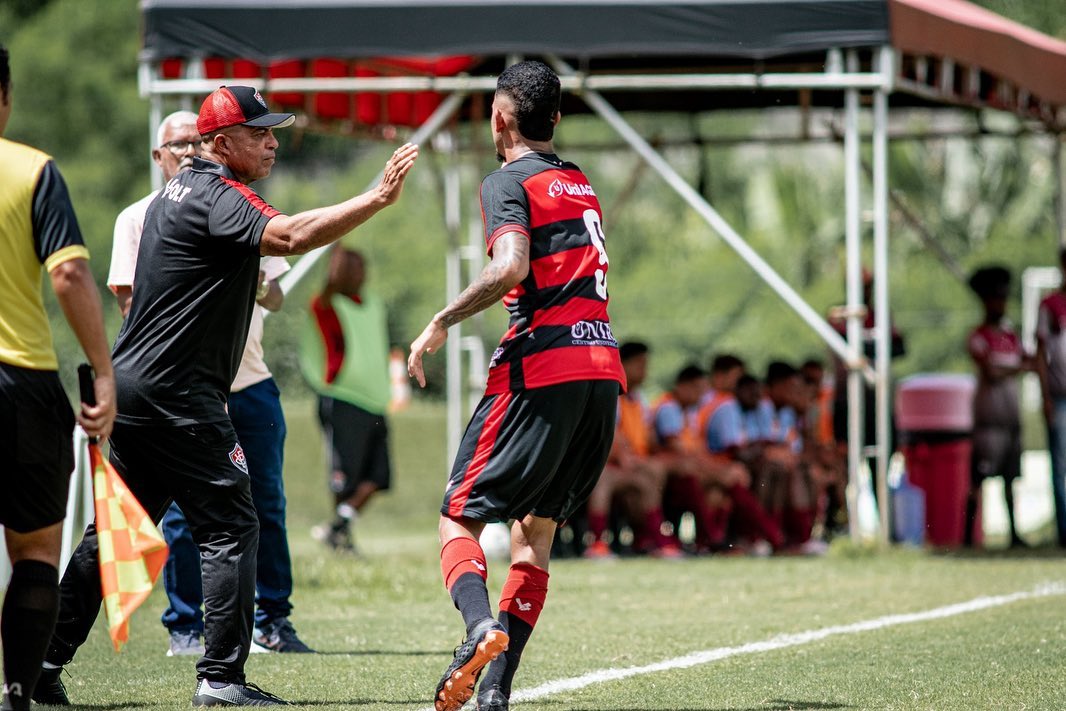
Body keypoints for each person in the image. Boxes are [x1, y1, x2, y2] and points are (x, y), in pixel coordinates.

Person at [36, 85, 417, 708]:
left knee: (115, 534)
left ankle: (41, 660)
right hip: (180, 397)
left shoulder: (173, 194)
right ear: (219, 144)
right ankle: (220, 677)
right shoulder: (218, 193)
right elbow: (290, 238)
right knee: (233, 525)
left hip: (139, 387)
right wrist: (375, 197)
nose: (272, 141)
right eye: (259, 132)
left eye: (273, 131)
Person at [407, 61, 625, 711]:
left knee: (458, 514)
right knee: (536, 532)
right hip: (601, 373)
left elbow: (511, 267)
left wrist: (442, 319)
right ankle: (495, 691)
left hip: (542, 365)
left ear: (499, 118)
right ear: (555, 119)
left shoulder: (507, 182)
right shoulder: (580, 183)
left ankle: (479, 628)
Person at [106, 110, 311, 656]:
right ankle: (191, 634)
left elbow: (276, 288)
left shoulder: (238, 205)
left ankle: (274, 620)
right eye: (177, 144)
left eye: (191, 141)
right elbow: (133, 303)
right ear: (159, 156)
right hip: (181, 389)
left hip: (247, 380)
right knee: (192, 518)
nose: (186, 150)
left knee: (264, 504)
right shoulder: (143, 216)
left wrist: (256, 279)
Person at [0, 43, 116, 711]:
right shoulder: (33, 170)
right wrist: (102, 368)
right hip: (22, 381)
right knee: (37, 548)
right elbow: (69, 273)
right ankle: (17, 689)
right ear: (6, 95)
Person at [301, 247, 392, 554]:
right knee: (345, 479)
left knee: (379, 477)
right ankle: (342, 539)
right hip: (343, 399)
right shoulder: (326, 304)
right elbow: (329, 339)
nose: (362, 274)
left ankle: (336, 526)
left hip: (376, 401)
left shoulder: (374, 304)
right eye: (354, 268)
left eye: (363, 268)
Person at [584, 342, 681, 559]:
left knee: (648, 480)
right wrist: (629, 459)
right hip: (604, 464)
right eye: (640, 364)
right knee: (603, 481)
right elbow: (610, 436)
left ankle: (653, 538)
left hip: (629, 464)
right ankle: (598, 543)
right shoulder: (611, 394)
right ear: (622, 365)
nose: (644, 370)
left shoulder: (639, 400)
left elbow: (647, 438)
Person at [967, 266, 1028, 548]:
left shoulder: (1011, 336)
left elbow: (1029, 361)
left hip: (1011, 415)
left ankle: (1014, 533)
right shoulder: (978, 335)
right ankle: (968, 535)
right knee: (978, 477)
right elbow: (991, 371)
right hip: (988, 418)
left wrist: (1010, 368)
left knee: (1010, 478)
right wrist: (1013, 368)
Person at [1035, 247, 1066, 548]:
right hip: (1060, 397)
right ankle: (1064, 531)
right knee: (1061, 466)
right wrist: (1044, 396)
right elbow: (1040, 353)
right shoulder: (1050, 305)